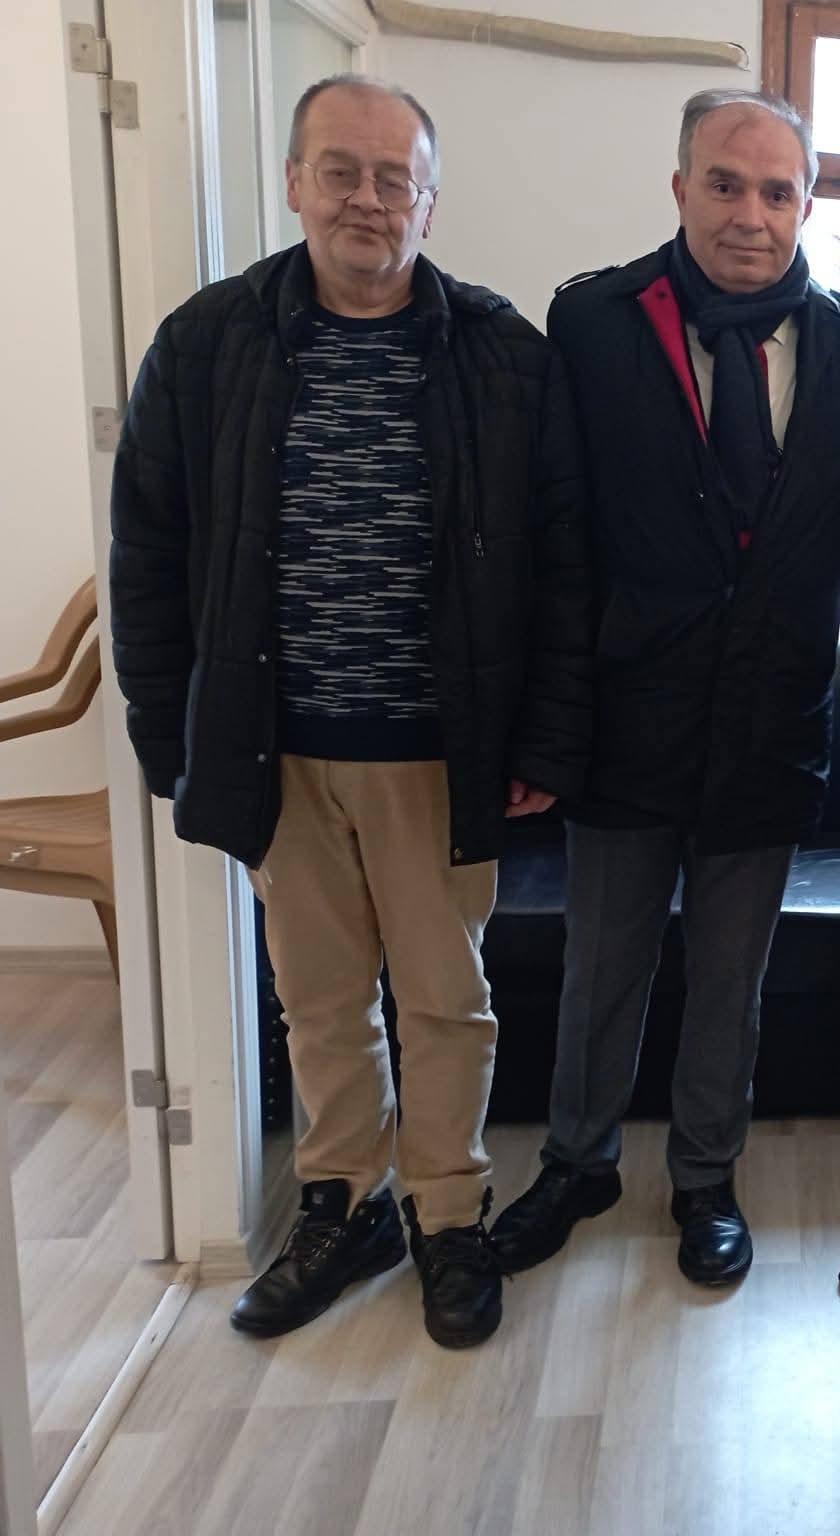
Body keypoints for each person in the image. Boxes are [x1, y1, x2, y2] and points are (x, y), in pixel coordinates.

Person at [108, 74, 593, 1349]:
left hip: (441, 750)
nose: (367, 200)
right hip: (277, 748)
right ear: (294, 182)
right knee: (319, 1002)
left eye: (394, 178)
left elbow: (566, 564)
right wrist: (168, 735)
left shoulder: (503, 355)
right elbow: (148, 553)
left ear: (429, 201)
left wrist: (546, 739)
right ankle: (343, 1203)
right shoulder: (205, 345)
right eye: (341, 171)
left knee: (445, 1001)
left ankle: (448, 1213)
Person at [488, 92, 840, 1286]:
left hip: (770, 724)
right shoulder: (594, 322)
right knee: (603, 968)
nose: (750, 214)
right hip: (626, 723)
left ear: (807, 204)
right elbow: (559, 528)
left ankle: (706, 1179)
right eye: (725, 184)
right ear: (679, 189)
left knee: (730, 982)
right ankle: (577, 1163)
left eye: (776, 191)